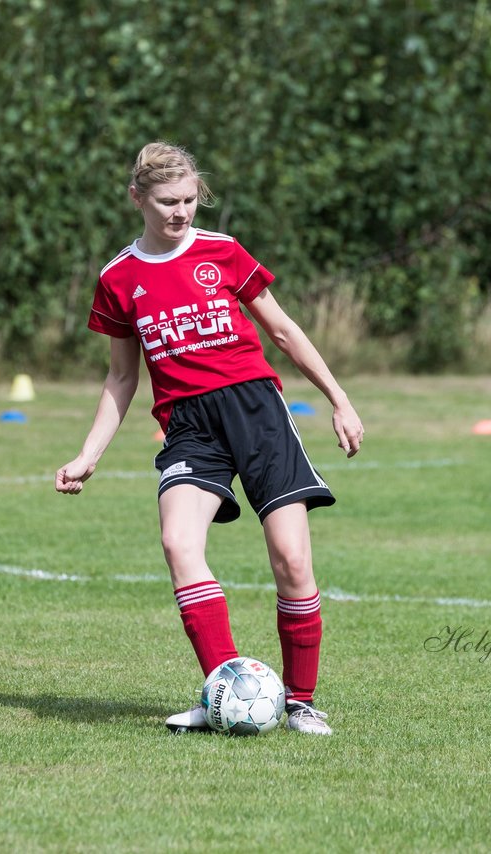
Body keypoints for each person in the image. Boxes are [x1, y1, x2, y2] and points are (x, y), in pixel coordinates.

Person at [56, 141, 364, 735]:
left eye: (190, 200)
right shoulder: (118, 278)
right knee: (178, 542)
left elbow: (282, 330)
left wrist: (339, 399)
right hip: (189, 426)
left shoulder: (222, 252)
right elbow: (122, 376)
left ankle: (300, 702)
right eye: (167, 201)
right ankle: (227, 689)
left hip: (257, 411)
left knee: (293, 560)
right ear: (137, 198)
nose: (180, 212)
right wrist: (88, 454)